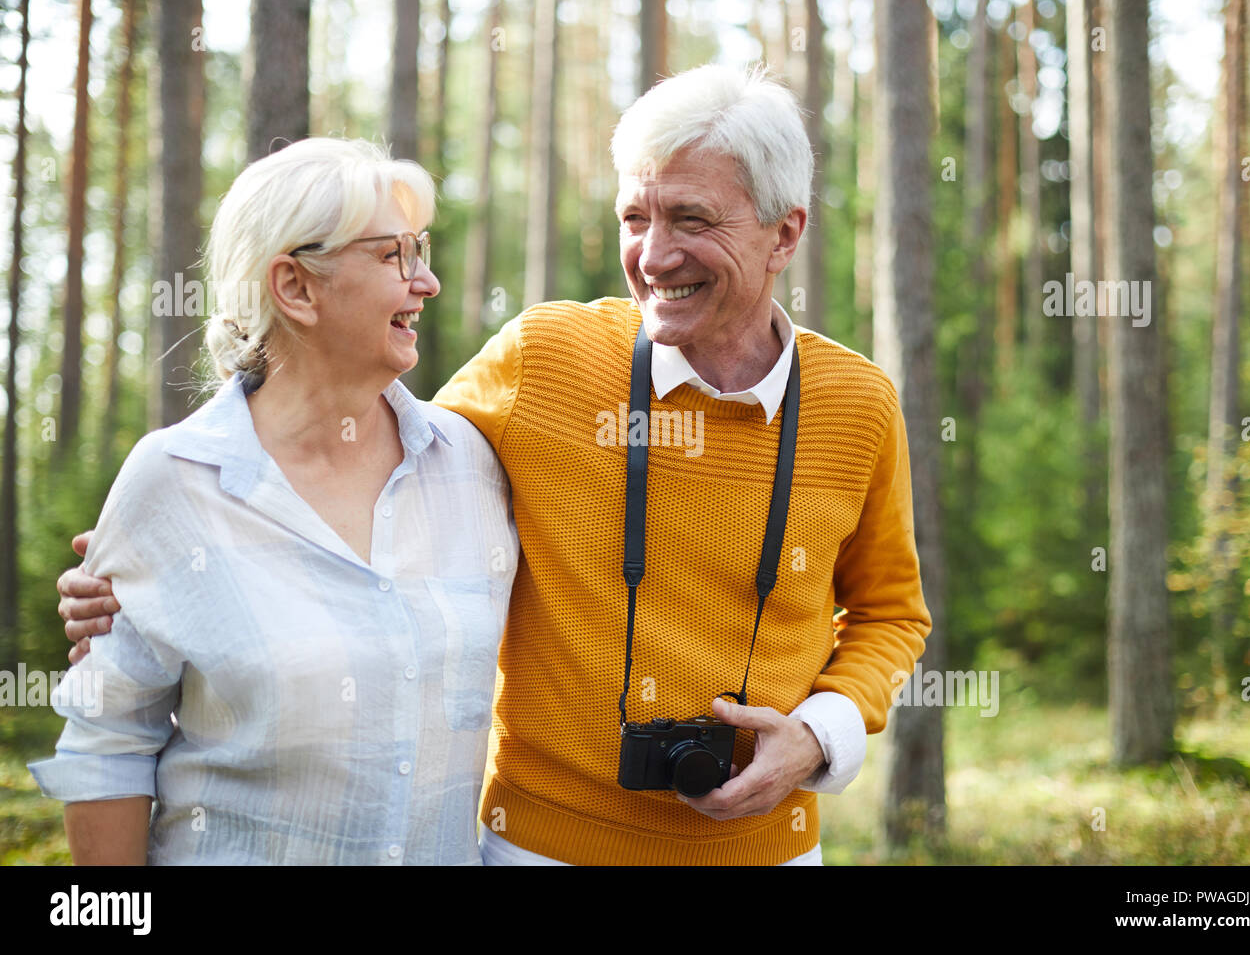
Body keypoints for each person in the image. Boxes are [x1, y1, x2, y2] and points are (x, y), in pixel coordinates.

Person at [59, 65, 930, 866]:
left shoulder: (858, 405)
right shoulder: (544, 358)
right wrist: (159, 562)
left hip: (771, 854)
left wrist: (821, 736)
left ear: (785, 234)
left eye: (692, 220)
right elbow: (348, 453)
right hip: (534, 852)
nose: (654, 255)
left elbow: (891, 614)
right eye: (635, 217)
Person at [33, 137, 518, 865]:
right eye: (395, 256)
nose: (429, 282)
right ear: (294, 287)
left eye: (419, 250)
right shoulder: (174, 479)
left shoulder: (472, 463)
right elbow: (109, 742)